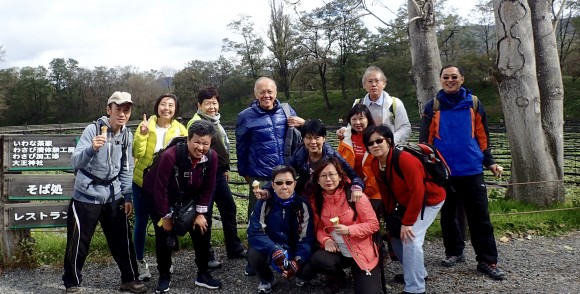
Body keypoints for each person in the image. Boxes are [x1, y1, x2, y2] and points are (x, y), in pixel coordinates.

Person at [419, 64, 506, 280]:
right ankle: (454, 252)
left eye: (454, 77)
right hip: (444, 171)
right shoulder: (433, 106)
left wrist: (490, 162)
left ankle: (487, 260)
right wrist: (427, 167)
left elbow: (483, 136)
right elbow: (425, 142)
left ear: (462, 79)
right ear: (440, 80)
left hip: (471, 169)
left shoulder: (474, 104)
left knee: (480, 217)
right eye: (446, 77)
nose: (450, 80)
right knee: (448, 215)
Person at [63, 91, 147, 294]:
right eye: (118, 109)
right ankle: (72, 283)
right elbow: (75, 161)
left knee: (123, 240)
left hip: (113, 195)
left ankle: (129, 279)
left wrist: (127, 196)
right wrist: (91, 149)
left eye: (126, 110)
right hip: (86, 195)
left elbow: (126, 168)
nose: (122, 113)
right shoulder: (92, 130)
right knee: (79, 241)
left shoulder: (127, 134)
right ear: (108, 109)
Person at [364, 125, 446, 294]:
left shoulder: (405, 159)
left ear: (388, 141)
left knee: (411, 238)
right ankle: (416, 273)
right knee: (395, 236)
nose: (375, 145)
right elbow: (386, 192)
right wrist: (389, 218)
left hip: (429, 200)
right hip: (407, 202)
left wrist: (408, 223)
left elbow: (419, 193)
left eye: (379, 141)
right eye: (370, 143)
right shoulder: (374, 163)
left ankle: (415, 288)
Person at [143, 120, 222, 293]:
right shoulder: (170, 156)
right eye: (197, 142)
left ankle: (203, 274)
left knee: (202, 227)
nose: (200, 147)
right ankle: (164, 276)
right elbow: (160, 188)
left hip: (189, 194)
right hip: (159, 194)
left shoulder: (212, 157)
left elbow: (209, 186)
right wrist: (166, 217)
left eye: (205, 143)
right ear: (188, 139)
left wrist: (201, 213)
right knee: (164, 235)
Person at [186, 86, 247, 270]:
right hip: (204, 176)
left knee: (229, 208)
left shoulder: (214, 121)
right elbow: (196, 152)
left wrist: (225, 168)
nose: (212, 106)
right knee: (205, 214)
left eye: (214, 102)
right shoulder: (196, 123)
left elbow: (221, 148)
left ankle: (234, 247)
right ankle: (206, 254)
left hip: (218, 173)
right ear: (199, 105)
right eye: (207, 103)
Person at [132, 93, 187, 280]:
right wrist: (143, 135)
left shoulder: (181, 130)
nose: (166, 108)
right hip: (141, 182)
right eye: (163, 104)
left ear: (175, 109)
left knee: (165, 222)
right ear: (157, 107)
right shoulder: (146, 125)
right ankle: (139, 262)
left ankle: (166, 261)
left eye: (170, 105)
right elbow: (135, 152)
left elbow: (183, 158)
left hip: (165, 186)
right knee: (140, 222)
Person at [308, 157, 382, 294]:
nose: (328, 179)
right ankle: (337, 276)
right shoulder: (316, 200)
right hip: (338, 251)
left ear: (340, 176)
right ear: (317, 180)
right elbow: (318, 227)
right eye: (323, 176)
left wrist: (349, 230)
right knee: (318, 260)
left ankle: (360, 272)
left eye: (331, 174)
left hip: (361, 252)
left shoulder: (354, 195)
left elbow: (373, 225)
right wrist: (326, 240)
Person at [236, 77, 305, 219]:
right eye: (262, 92)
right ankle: (256, 241)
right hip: (259, 174)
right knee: (258, 214)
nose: (266, 96)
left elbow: (301, 136)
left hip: (283, 174)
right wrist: (244, 172)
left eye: (269, 91)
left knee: (284, 214)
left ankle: (284, 241)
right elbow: (241, 147)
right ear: (255, 94)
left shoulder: (286, 110)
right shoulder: (245, 116)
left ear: (276, 93)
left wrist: (303, 123)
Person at [256, 119, 365, 202]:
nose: (313, 142)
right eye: (308, 138)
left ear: (324, 139)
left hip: (329, 196)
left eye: (317, 138)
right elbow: (284, 172)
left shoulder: (333, 156)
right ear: (303, 139)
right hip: (307, 195)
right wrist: (267, 190)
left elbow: (354, 176)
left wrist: (357, 187)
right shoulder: (299, 154)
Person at [247, 165, 314, 293]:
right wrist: (273, 249)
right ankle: (267, 279)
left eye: (288, 182)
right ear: (272, 185)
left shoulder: (303, 205)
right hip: (273, 246)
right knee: (253, 253)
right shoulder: (264, 203)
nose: (284, 187)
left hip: (294, 247)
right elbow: (254, 232)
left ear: (295, 183)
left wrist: (298, 261)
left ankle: (299, 273)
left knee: (307, 266)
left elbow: (307, 238)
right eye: (279, 183)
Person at [337, 66, 412, 145]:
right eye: (370, 81)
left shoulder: (395, 103)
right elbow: (352, 127)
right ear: (364, 85)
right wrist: (343, 132)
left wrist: (388, 141)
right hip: (365, 149)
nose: (373, 84)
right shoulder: (358, 103)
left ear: (384, 83)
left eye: (377, 81)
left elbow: (405, 128)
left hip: (390, 150)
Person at [337, 104, 380, 210]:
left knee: (373, 221)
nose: (357, 122)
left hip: (374, 190)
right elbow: (338, 161)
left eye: (361, 118)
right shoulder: (346, 138)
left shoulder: (376, 138)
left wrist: (368, 188)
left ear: (368, 119)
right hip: (351, 186)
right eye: (354, 119)